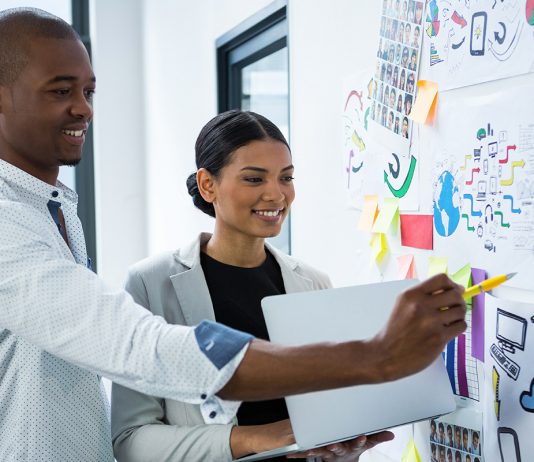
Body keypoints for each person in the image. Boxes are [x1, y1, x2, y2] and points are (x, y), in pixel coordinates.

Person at [0, 7, 467, 461]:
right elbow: (142, 351)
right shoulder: (20, 225)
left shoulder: (53, 209)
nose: (83, 109)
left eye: (88, 91)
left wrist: (335, 443)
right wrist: (375, 356)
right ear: (209, 185)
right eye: (61, 91)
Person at [112, 110, 395, 461]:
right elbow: (132, 440)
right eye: (254, 179)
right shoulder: (150, 283)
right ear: (207, 184)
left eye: (286, 178)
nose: (276, 195)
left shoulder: (313, 282)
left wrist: (344, 448)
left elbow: (322, 423)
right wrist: (257, 438)